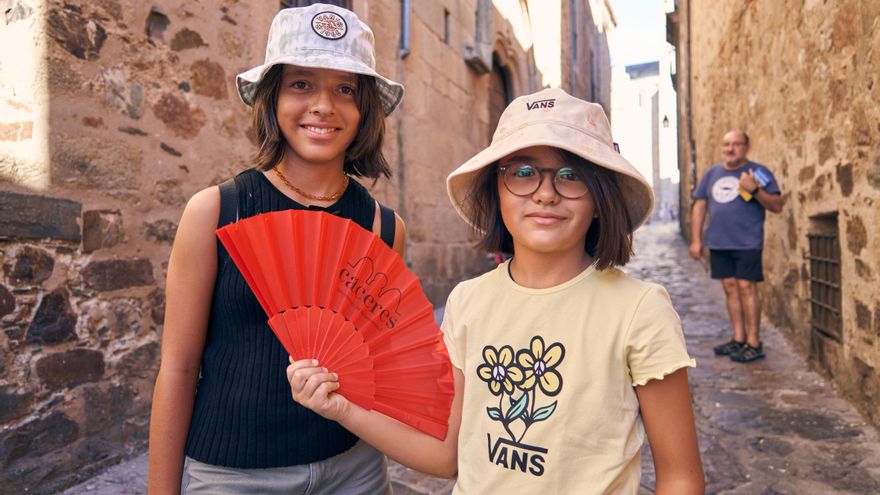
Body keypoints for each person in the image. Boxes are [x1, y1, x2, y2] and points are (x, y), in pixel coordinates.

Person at [287, 88, 705, 494]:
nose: (545, 193)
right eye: (523, 172)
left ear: (599, 197)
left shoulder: (638, 309)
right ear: (497, 189)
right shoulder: (468, 301)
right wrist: (342, 409)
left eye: (571, 175)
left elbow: (680, 477)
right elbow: (447, 455)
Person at [148, 4, 406, 493]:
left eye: (345, 89)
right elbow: (178, 368)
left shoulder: (383, 228)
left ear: (364, 108)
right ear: (272, 98)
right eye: (301, 84)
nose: (324, 106)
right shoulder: (214, 212)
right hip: (232, 476)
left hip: (355, 470)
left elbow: (378, 364)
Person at [689, 131, 784, 363]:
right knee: (730, 288)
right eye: (726, 145)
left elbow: (777, 205)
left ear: (746, 147)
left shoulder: (758, 173)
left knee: (746, 288)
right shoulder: (712, 173)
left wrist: (755, 190)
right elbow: (699, 207)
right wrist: (696, 240)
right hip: (719, 242)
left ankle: (754, 342)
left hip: (747, 241)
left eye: (736, 145)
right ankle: (739, 338)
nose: (730, 149)